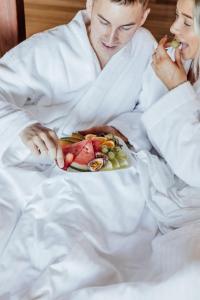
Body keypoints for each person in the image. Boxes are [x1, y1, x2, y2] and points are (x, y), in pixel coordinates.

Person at [0, 0, 155, 169]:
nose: (111, 38)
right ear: (89, 5)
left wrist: (120, 130)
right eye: (104, 22)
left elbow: (151, 110)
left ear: (143, 17)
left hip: (102, 162)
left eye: (126, 27)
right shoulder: (48, 48)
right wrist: (22, 125)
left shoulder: (144, 47)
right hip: (31, 162)